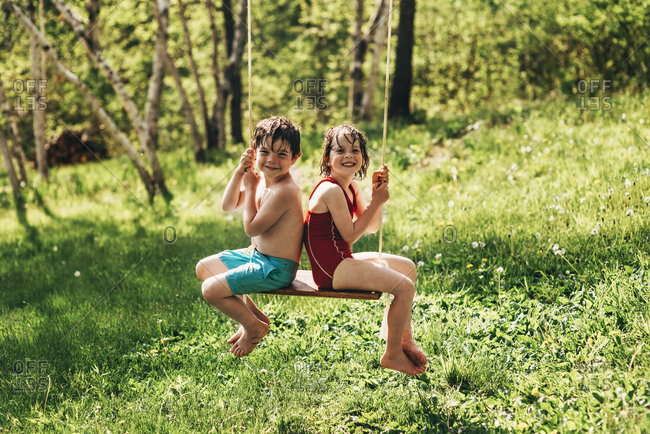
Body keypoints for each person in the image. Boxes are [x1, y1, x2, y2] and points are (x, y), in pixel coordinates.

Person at [304, 125, 427, 375]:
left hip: (342, 260)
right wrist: (376, 202)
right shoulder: (330, 190)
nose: (348, 155)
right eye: (340, 150)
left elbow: (372, 227)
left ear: (363, 158)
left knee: (407, 268)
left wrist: (375, 197)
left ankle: (404, 339)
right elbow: (350, 235)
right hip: (332, 271)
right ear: (327, 158)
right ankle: (391, 355)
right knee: (405, 287)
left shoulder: (350, 187)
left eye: (355, 150)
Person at [196, 117, 303, 357]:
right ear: (254, 152)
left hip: (276, 268)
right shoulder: (265, 181)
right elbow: (228, 205)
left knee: (211, 290)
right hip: (256, 257)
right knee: (204, 268)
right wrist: (239, 172)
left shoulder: (285, 191)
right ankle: (255, 316)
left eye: (281, 154)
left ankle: (253, 328)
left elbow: (252, 229)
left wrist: (252, 188)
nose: (272, 160)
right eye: (264, 151)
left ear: (295, 158)